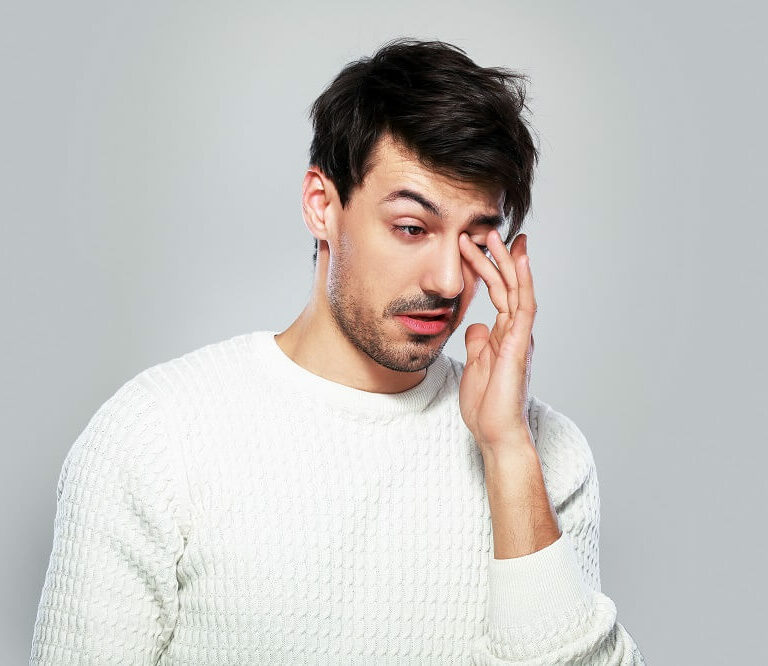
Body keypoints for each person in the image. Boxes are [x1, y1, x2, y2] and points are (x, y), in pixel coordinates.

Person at [30, 38, 646, 664]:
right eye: (412, 228)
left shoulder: (544, 451)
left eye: (476, 238)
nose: (450, 281)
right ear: (322, 207)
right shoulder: (156, 436)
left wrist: (508, 451)